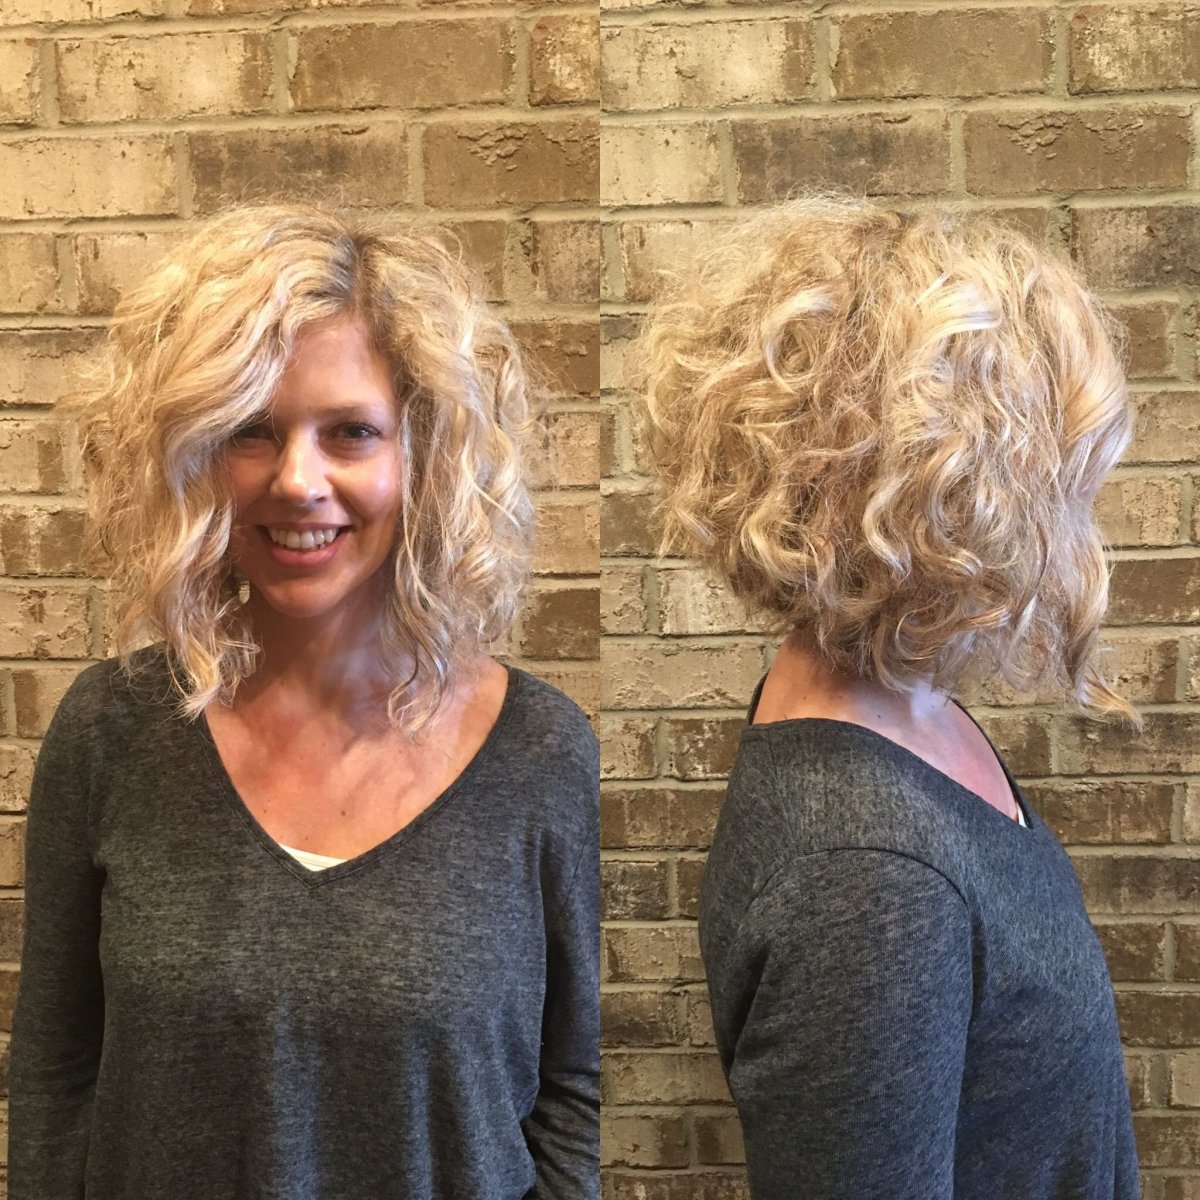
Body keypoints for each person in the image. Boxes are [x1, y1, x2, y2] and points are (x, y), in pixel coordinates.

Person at [9, 202, 599, 1200]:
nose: (297, 481)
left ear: (424, 455)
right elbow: (55, 1072)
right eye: (252, 432)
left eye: (351, 433)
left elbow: (574, 1091)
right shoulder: (110, 731)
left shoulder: (544, 752)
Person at [640, 195, 1142, 1198]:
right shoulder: (865, 881)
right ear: (959, 490)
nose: (1073, 515)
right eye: (1058, 475)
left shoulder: (908, 710)